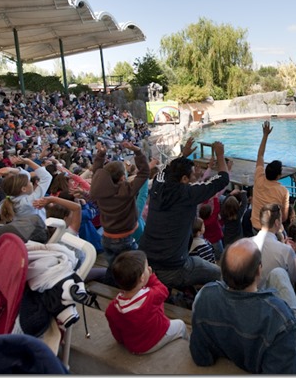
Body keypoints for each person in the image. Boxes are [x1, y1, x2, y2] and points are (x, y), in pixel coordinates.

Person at [189, 238, 296, 374]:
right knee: (278, 274)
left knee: (277, 274)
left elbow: (201, 357)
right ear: (259, 270)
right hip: (288, 330)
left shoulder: (205, 296)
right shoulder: (278, 316)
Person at [139, 141, 229, 289]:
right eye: (193, 175)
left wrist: (183, 156)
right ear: (184, 179)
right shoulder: (187, 193)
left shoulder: (157, 183)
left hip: (146, 260)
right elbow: (223, 179)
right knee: (221, 275)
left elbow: (167, 169)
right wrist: (220, 154)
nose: (195, 177)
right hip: (173, 265)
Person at [89, 140, 151, 285]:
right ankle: (128, 289)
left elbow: (97, 170)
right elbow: (145, 172)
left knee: (113, 266)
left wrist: (101, 154)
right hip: (124, 240)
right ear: (123, 178)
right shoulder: (127, 191)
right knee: (132, 267)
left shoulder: (98, 190)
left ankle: (112, 285)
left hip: (107, 237)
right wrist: (137, 151)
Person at [105, 250, 188, 354]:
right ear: (142, 278)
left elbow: (117, 333)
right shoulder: (150, 296)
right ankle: (186, 349)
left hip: (133, 346)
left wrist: (121, 341)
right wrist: (151, 277)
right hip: (155, 339)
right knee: (181, 324)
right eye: (147, 267)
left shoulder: (113, 308)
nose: (149, 268)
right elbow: (164, 291)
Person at [250, 121, 289, 233]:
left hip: (256, 227)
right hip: (272, 230)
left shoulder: (259, 177)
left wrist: (265, 135)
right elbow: (284, 217)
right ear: (278, 176)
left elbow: (260, 155)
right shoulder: (283, 191)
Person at [252, 203, 296, 283]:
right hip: (276, 293)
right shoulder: (286, 250)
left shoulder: (245, 243)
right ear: (277, 222)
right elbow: (295, 277)